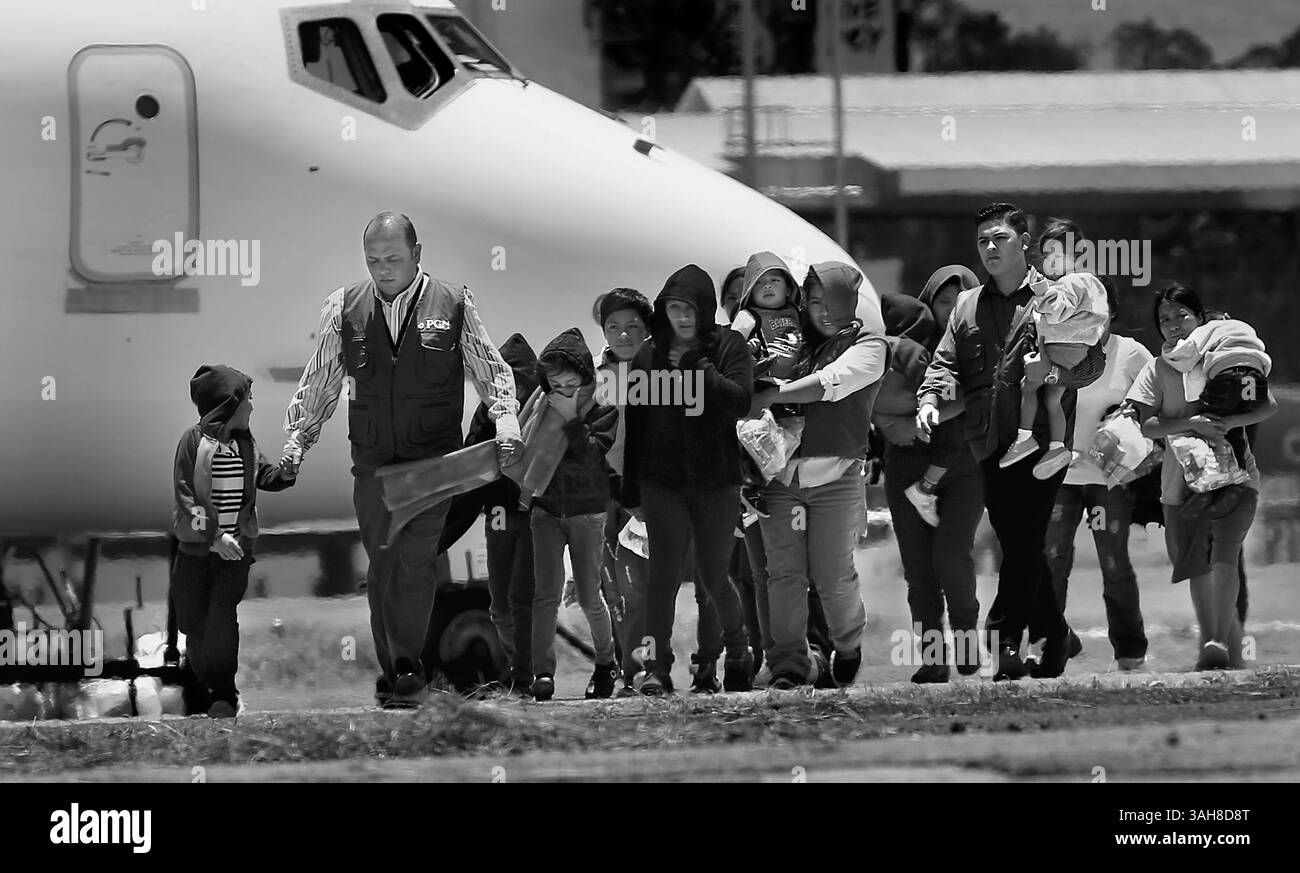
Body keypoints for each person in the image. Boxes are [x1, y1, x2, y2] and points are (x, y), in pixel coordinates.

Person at [281, 212, 523, 708]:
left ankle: (409, 664)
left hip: (430, 464)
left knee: (415, 562)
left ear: (417, 253)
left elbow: (490, 368)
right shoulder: (342, 307)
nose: (383, 269)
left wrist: (507, 423)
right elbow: (322, 379)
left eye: (393, 258)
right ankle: (395, 669)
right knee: (384, 565)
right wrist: (296, 443)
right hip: (372, 466)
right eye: (373, 260)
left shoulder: (454, 303)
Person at [917, 202, 1080, 681]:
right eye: (983, 240)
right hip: (987, 443)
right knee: (1020, 541)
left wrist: (1049, 371)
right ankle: (1056, 636)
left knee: (1024, 538)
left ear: (1024, 243)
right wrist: (929, 399)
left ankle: (1003, 637)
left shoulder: (1057, 298)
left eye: (1000, 238)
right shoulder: (966, 307)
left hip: (1046, 443)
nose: (990, 248)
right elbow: (944, 364)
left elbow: (1088, 366)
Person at [750, 261, 888, 689]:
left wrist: (770, 394)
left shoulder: (871, 346)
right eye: (813, 302)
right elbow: (746, 327)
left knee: (832, 574)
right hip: (779, 479)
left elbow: (831, 382)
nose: (823, 311)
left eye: (833, 302)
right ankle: (788, 664)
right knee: (784, 574)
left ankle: (846, 644)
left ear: (851, 302)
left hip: (838, 476)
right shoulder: (790, 341)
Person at [1126, 283, 1277, 670]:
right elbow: (1147, 426)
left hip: (1235, 477)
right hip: (1179, 486)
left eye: (1182, 315)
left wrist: (1225, 422)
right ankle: (1223, 646)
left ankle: (1215, 644)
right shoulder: (1156, 369)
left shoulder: (1223, 358)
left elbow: (1266, 406)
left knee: (1225, 558)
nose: (1173, 325)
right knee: (1194, 565)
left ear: (1200, 318)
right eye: (1164, 319)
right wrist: (1191, 423)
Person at [621, 264, 755, 695]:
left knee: (713, 576)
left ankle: (736, 651)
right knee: (661, 575)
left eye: (689, 308)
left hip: (717, 481)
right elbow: (636, 425)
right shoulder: (647, 355)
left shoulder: (728, 346)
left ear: (704, 308)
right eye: (673, 308)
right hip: (663, 482)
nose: (681, 317)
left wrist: (699, 366)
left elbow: (740, 402)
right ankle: (656, 668)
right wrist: (629, 488)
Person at [1039, 222, 1151, 672]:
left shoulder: (1131, 354)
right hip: (1058, 477)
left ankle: (1130, 650)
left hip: (1108, 479)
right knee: (1050, 563)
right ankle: (1055, 644)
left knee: (1113, 564)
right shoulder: (1052, 351)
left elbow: (1153, 408)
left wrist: (1126, 421)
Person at [874, 266, 985, 683]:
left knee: (951, 558)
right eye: (943, 300)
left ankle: (967, 641)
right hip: (906, 467)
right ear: (927, 302)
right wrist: (888, 424)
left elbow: (984, 400)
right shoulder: (906, 349)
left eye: (962, 301)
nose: (952, 309)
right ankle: (934, 658)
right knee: (919, 570)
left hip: (964, 469)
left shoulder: (981, 347)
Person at [173, 365, 297, 717]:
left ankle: (224, 694)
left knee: (221, 619)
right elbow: (185, 497)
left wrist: (285, 473)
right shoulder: (193, 443)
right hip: (197, 552)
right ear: (229, 404)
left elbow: (264, 474)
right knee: (193, 625)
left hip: (236, 552)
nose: (253, 408)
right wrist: (212, 537)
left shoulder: (246, 443)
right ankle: (209, 689)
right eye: (248, 400)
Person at [520, 328, 620, 701]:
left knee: (590, 594)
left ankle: (606, 663)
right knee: (545, 594)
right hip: (545, 509)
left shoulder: (603, 410)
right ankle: (542, 673)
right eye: (555, 384)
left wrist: (571, 421)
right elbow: (525, 450)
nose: (563, 392)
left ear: (586, 381)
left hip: (587, 512)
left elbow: (593, 457)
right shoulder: (540, 407)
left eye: (571, 384)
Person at [437, 333, 539, 694]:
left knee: (525, 602)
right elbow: (467, 485)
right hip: (499, 520)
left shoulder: (543, 416)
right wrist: (437, 538)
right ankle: (519, 669)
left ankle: (529, 673)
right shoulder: (487, 418)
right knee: (501, 607)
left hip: (532, 522)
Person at [998, 231, 1109, 479]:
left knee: (1029, 387)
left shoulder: (1074, 282)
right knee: (1051, 399)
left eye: (1057, 253)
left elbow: (1058, 309)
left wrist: (1041, 292)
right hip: (1069, 351)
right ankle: (1057, 447)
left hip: (1063, 350)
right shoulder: (1083, 284)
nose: (1052, 260)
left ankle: (1025, 438)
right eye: (1048, 254)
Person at [730, 251, 805, 518]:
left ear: (788, 288)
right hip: (762, 384)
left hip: (794, 386)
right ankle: (750, 487)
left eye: (775, 280)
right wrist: (745, 351)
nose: (768, 286)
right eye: (761, 283)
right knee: (756, 434)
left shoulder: (798, 313)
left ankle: (750, 491)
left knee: (787, 437)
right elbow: (731, 345)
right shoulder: (749, 316)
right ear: (750, 291)